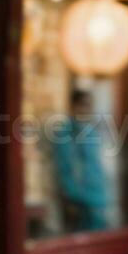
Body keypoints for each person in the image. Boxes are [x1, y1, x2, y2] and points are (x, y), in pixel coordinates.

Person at [52, 88, 110, 232]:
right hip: (79, 200)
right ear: (73, 106)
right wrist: (71, 197)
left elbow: (97, 165)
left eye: (89, 106)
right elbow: (64, 167)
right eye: (83, 105)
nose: (86, 110)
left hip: (98, 198)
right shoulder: (66, 133)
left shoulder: (91, 132)